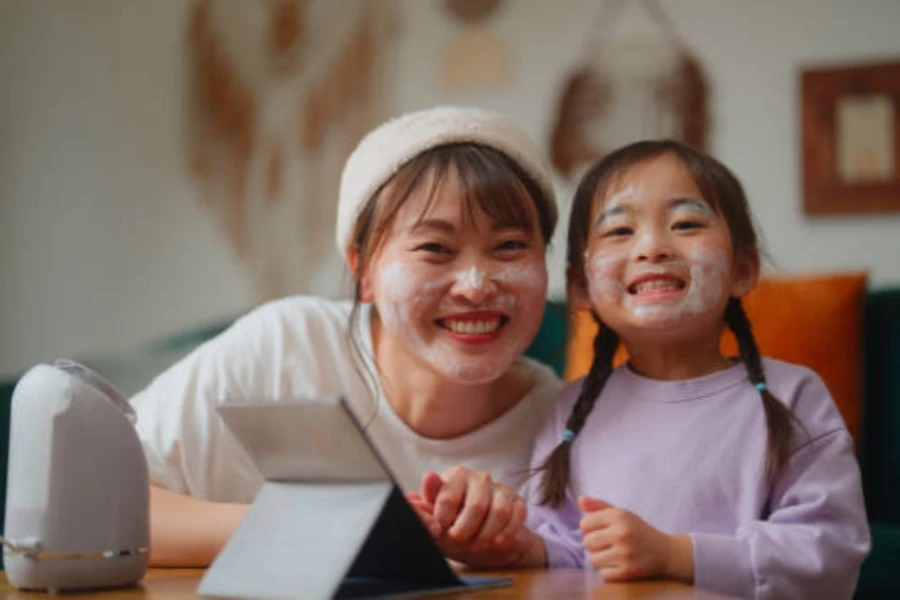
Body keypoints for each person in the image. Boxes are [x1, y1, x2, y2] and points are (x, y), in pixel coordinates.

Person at [412, 140, 870, 598]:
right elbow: (566, 550)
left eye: (686, 224)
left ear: (743, 269)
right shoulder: (573, 410)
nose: (652, 246)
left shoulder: (794, 397)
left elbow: (829, 553)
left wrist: (675, 555)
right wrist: (503, 548)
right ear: (580, 288)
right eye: (619, 232)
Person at [129, 106, 563, 567]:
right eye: (435, 248)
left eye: (510, 246)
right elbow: (87, 504)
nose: (476, 285)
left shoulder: (564, 426)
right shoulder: (286, 348)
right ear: (363, 269)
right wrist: (324, 529)